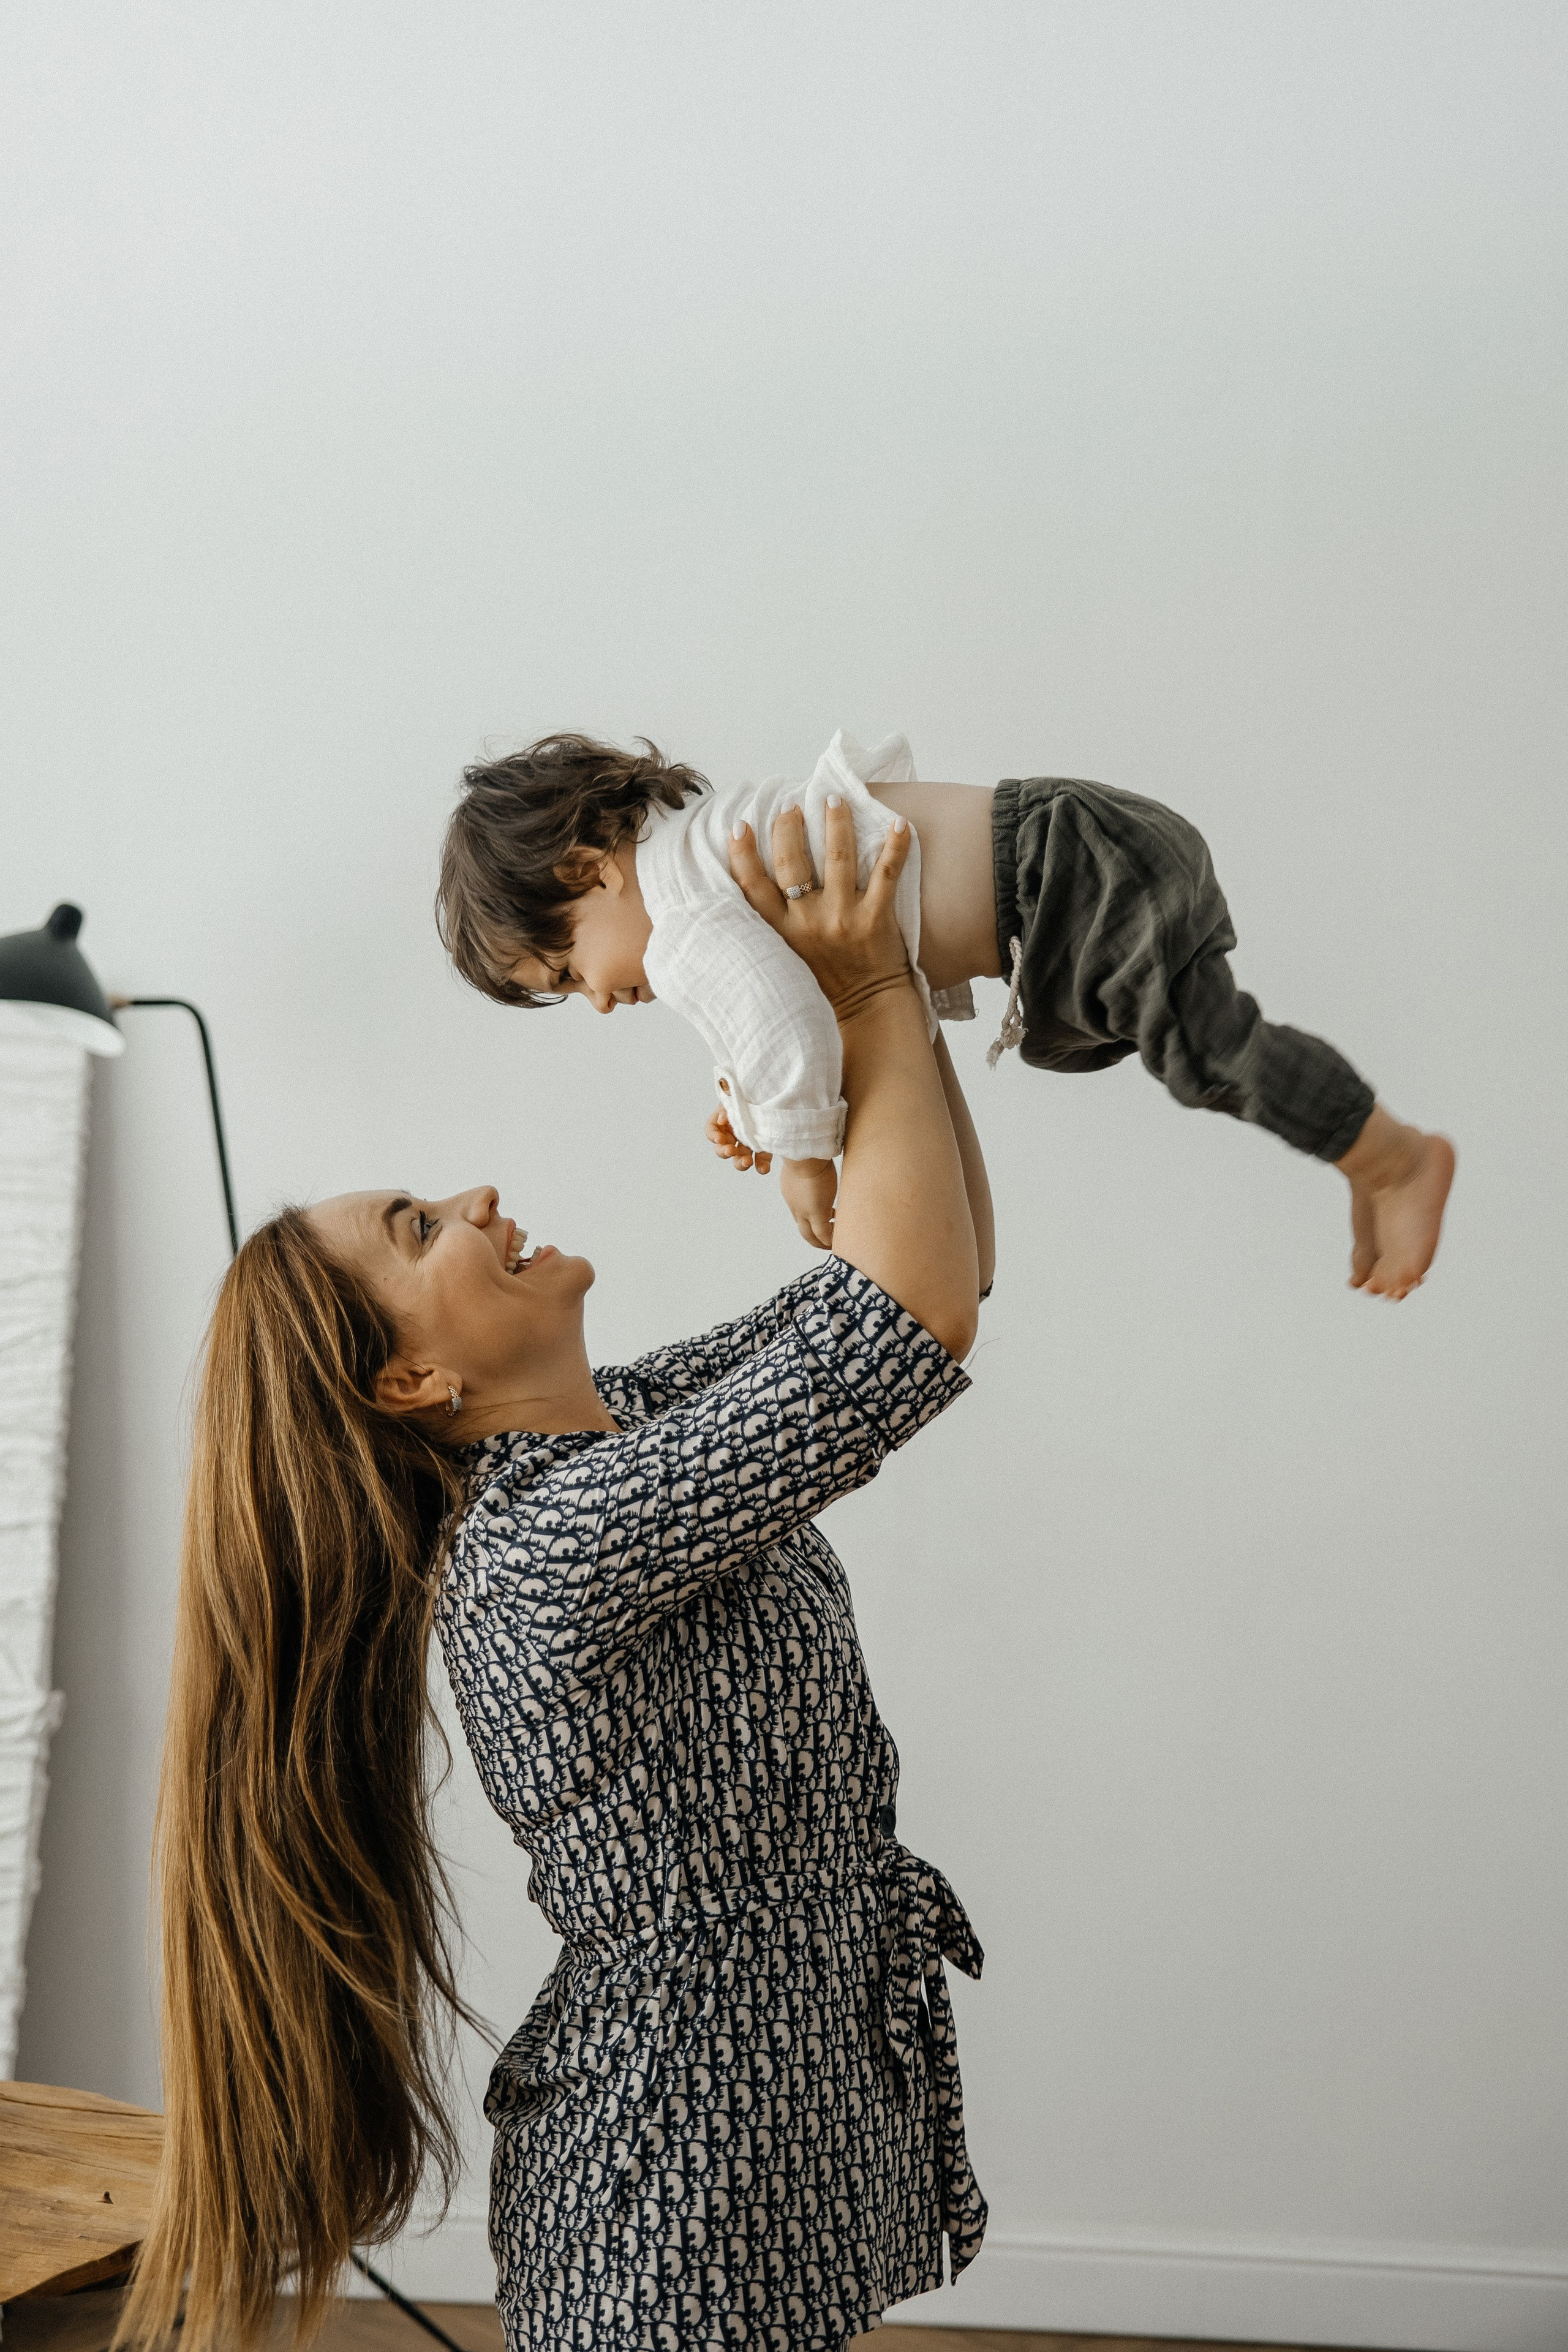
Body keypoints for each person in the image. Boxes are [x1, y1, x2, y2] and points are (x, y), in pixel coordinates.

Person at [124, 805, 991, 2352]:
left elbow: (935, 1266)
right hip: (675, 2182)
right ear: (411, 1382)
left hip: (775, 2113)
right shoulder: (548, 1545)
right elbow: (909, 1323)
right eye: (419, 1228)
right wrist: (856, 996)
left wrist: (875, 1004)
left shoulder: (638, 1425)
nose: (473, 1198)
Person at [437, 727, 1454, 1301]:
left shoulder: (681, 921)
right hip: (1069, 852)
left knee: (1206, 1053)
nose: (601, 1001)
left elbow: (782, 1027)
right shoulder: (698, 862)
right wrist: (747, 1104)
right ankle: (1360, 1149)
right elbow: (788, 1008)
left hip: (1065, 877)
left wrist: (801, 1155)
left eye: (566, 972)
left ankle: (1389, 1156)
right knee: (1170, 1046)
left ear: (586, 871)